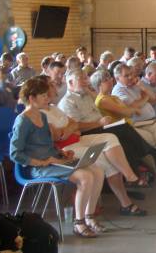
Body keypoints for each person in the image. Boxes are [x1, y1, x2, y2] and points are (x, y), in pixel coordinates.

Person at [10, 77, 104, 238]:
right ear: (32, 98)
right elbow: (15, 154)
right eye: (44, 96)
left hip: (53, 161)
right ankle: (79, 223)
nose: (48, 98)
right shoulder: (22, 121)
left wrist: (61, 153)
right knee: (86, 176)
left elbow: (48, 145)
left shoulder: (43, 116)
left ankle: (89, 217)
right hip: (39, 168)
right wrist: (43, 162)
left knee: (98, 171)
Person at [40, 76, 147, 216]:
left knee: (111, 138)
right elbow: (58, 136)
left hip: (76, 139)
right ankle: (115, 206)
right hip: (63, 149)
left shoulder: (53, 108)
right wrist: (69, 129)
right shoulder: (42, 113)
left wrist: (69, 128)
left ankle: (129, 176)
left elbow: (74, 124)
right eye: (51, 85)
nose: (55, 87)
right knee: (105, 159)